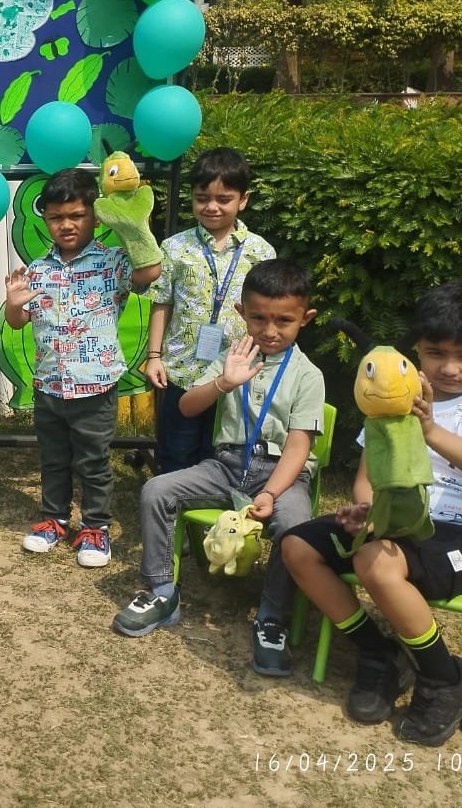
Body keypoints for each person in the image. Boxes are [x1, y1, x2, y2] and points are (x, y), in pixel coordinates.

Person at [282, 282, 462, 747]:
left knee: (374, 561)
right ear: (417, 351)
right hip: (396, 525)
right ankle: (380, 654)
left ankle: (445, 678)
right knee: (297, 546)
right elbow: (368, 477)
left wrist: (430, 431)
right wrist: (366, 511)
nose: (449, 368)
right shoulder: (391, 404)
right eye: (436, 353)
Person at [112, 259, 324, 680]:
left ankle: (271, 617)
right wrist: (224, 382)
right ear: (242, 313)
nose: (270, 330)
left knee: (296, 525)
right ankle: (162, 591)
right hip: (225, 465)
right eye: (258, 318)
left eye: (284, 320)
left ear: (306, 318)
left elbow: (299, 446)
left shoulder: (308, 375)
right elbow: (188, 408)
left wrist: (270, 493)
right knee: (157, 490)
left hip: (281, 475)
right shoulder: (233, 357)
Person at [4, 168, 134, 568]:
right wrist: (13, 304)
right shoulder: (37, 269)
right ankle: (54, 519)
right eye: (57, 217)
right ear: (45, 219)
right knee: (54, 459)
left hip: (96, 387)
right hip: (49, 386)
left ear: (95, 215)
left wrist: (130, 220)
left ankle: (95, 527)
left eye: (77, 215)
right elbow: (17, 321)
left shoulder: (114, 262)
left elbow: (150, 275)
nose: (66, 225)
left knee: (93, 462)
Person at [143, 148, 276, 474]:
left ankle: (212, 504)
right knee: (175, 451)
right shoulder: (175, 247)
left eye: (223, 199)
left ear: (243, 200)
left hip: (234, 371)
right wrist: (154, 356)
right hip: (181, 370)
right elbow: (162, 301)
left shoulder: (260, 251)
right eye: (202, 198)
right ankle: (171, 501)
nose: (211, 207)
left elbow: (269, 312)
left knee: (221, 452)